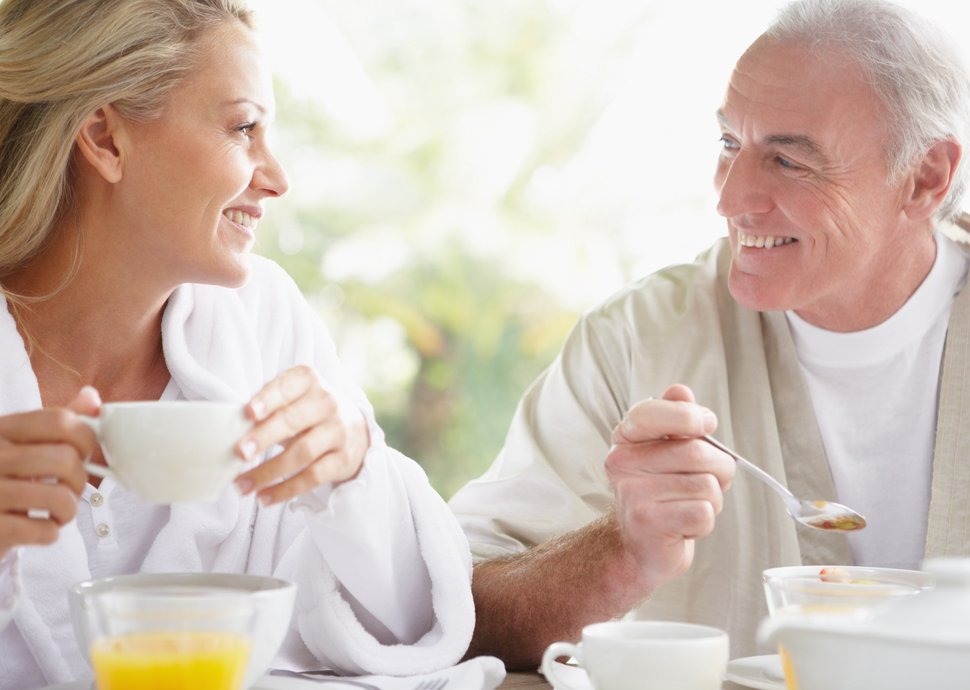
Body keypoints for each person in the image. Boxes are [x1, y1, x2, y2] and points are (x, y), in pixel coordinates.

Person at [449, 0, 970, 668]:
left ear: (926, 177)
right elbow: (455, 612)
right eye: (729, 144)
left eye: (787, 161)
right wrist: (620, 552)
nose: (728, 198)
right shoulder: (639, 340)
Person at [0, 1, 474, 688]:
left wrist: (352, 475)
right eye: (243, 128)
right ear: (104, 138)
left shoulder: (262, 319)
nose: (277, 177)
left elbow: (400, 629)